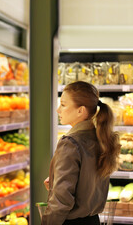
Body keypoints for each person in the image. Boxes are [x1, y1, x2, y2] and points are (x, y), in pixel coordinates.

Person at [41, 81, 120, 225]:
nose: (58, 110)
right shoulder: (100, 138)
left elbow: (61, 201)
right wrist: (56, 180)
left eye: (63, 105)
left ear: (80, 110)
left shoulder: (70, 143)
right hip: (93, 221)